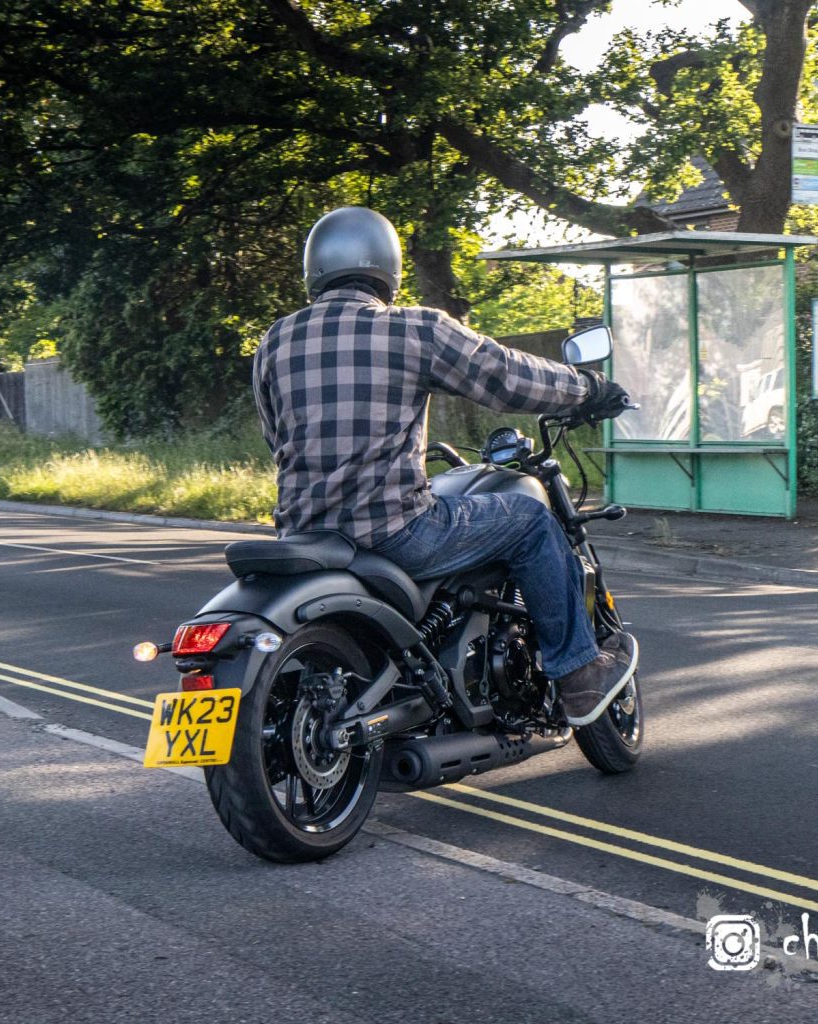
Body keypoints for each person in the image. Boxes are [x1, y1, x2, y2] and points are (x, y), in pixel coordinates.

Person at [253, 206, 636, 728]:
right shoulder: (413, 328)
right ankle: (577, 674)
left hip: (304, 534)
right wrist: (588, 388)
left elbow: (278, 437)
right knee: (529, 521)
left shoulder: (276, 340)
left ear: (314, 269)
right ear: (388, 266)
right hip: (393, 531)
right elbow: (506, 377)